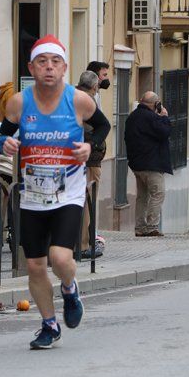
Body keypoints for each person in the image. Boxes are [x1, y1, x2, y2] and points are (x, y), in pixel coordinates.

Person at [0, 35, 111, 349]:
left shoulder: (78, 101)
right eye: (42, 62)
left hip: (68, 193)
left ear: (64, 68)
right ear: (32, 68)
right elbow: (0, 134)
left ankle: (70, 288)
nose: (49, 68)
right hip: (32, 195)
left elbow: (102, 126)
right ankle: (49, 324)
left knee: (59, 257)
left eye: (55, 62)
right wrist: (2, 144)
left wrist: (90, 145)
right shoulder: (20, 102)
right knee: (34, 265)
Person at [125, 91, 171, 237]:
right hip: (152, 164)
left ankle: (139, 227)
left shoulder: (132, 117)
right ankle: (152, 226)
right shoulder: (151, 118)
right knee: (158, 194)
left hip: (136, 165)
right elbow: (165, 132)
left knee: (142, 196)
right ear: (156, 104)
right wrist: (164, 118)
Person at [76, 71, 106, 259]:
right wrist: (94, 143)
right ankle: (83, 244)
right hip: (89, 160)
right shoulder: (87, 102)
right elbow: (96, 127)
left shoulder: (72, 96)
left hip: (81, 158)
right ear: (94, 87)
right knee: (87, 201)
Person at [0, 82, 17, 246]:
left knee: (13, 195)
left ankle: (12, 230)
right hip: (12, 157)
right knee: (15, 195)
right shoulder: (13, 94)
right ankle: (13, 231)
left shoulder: (10, 92)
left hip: (8, 157)